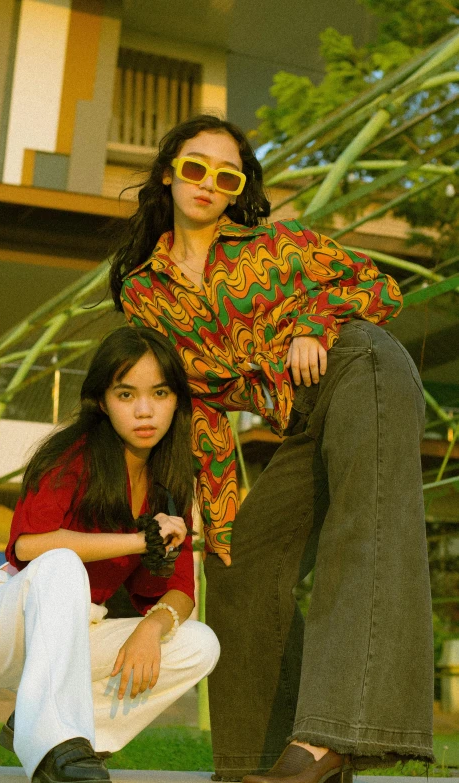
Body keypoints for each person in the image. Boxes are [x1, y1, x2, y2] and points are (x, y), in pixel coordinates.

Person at [109, 115, 434, 783]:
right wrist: (216, 515)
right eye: (194, 167)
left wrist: (315, 320)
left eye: (225, 176)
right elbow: (193, 407)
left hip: (359, 367)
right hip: (303, 421)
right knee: (239, 564)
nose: (207, 184)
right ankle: (253, 764)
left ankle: (331, 738)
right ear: (168, 170)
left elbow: (377, 285)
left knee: (362, 525)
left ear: (237, 190)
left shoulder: (274, 246)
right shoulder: (144, 291)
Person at [0, 326, 220, 783]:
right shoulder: (71, 455)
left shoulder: (170, 484)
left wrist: (151, 630)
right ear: (102, 401)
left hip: (76, 633)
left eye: (159, 392)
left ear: (177, 400)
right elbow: (28, 547)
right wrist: (141, 540)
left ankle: (62, 743)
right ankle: (54, 738)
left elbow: (179, 591)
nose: (144, 409)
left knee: (199, 644)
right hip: (0, 628)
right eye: (125, 393)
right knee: (60, 564)